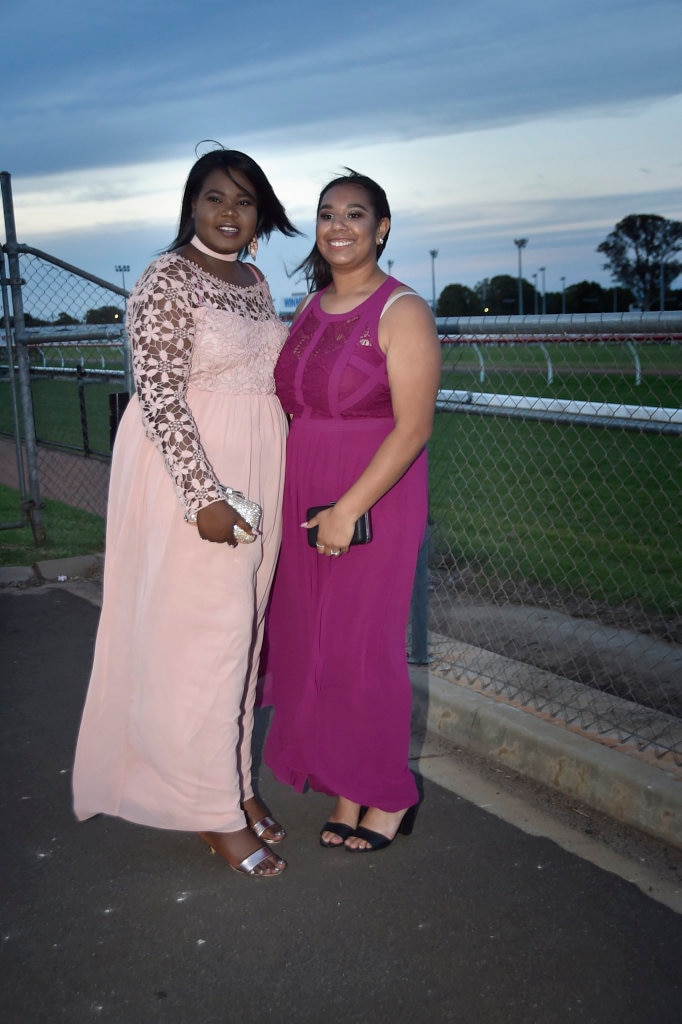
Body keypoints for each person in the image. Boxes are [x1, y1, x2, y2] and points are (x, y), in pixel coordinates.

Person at [72, 148, 299, 878]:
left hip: (257, 460)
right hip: (194, 473)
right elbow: (160, 394)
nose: (228, 214)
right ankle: (208, 810)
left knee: (244, 637)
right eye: (213, 199)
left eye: (242, 201)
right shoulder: (166, 277)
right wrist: (201, 494)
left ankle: (230, 785)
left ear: (260, 213)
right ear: (190, 207)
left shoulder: (256, 280)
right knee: (209, 642)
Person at [262, 170, 441, 852]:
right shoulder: (309, 308)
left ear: (382, 228)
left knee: (362, 651)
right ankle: (348, 786)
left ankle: (388, 795)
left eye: (356, 214)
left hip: (372, 496)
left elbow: (413, 428)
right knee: (318, 648)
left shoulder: (403, 311)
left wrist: (346, 510)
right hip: (303, 485)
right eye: (327, 213)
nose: (339, 226)